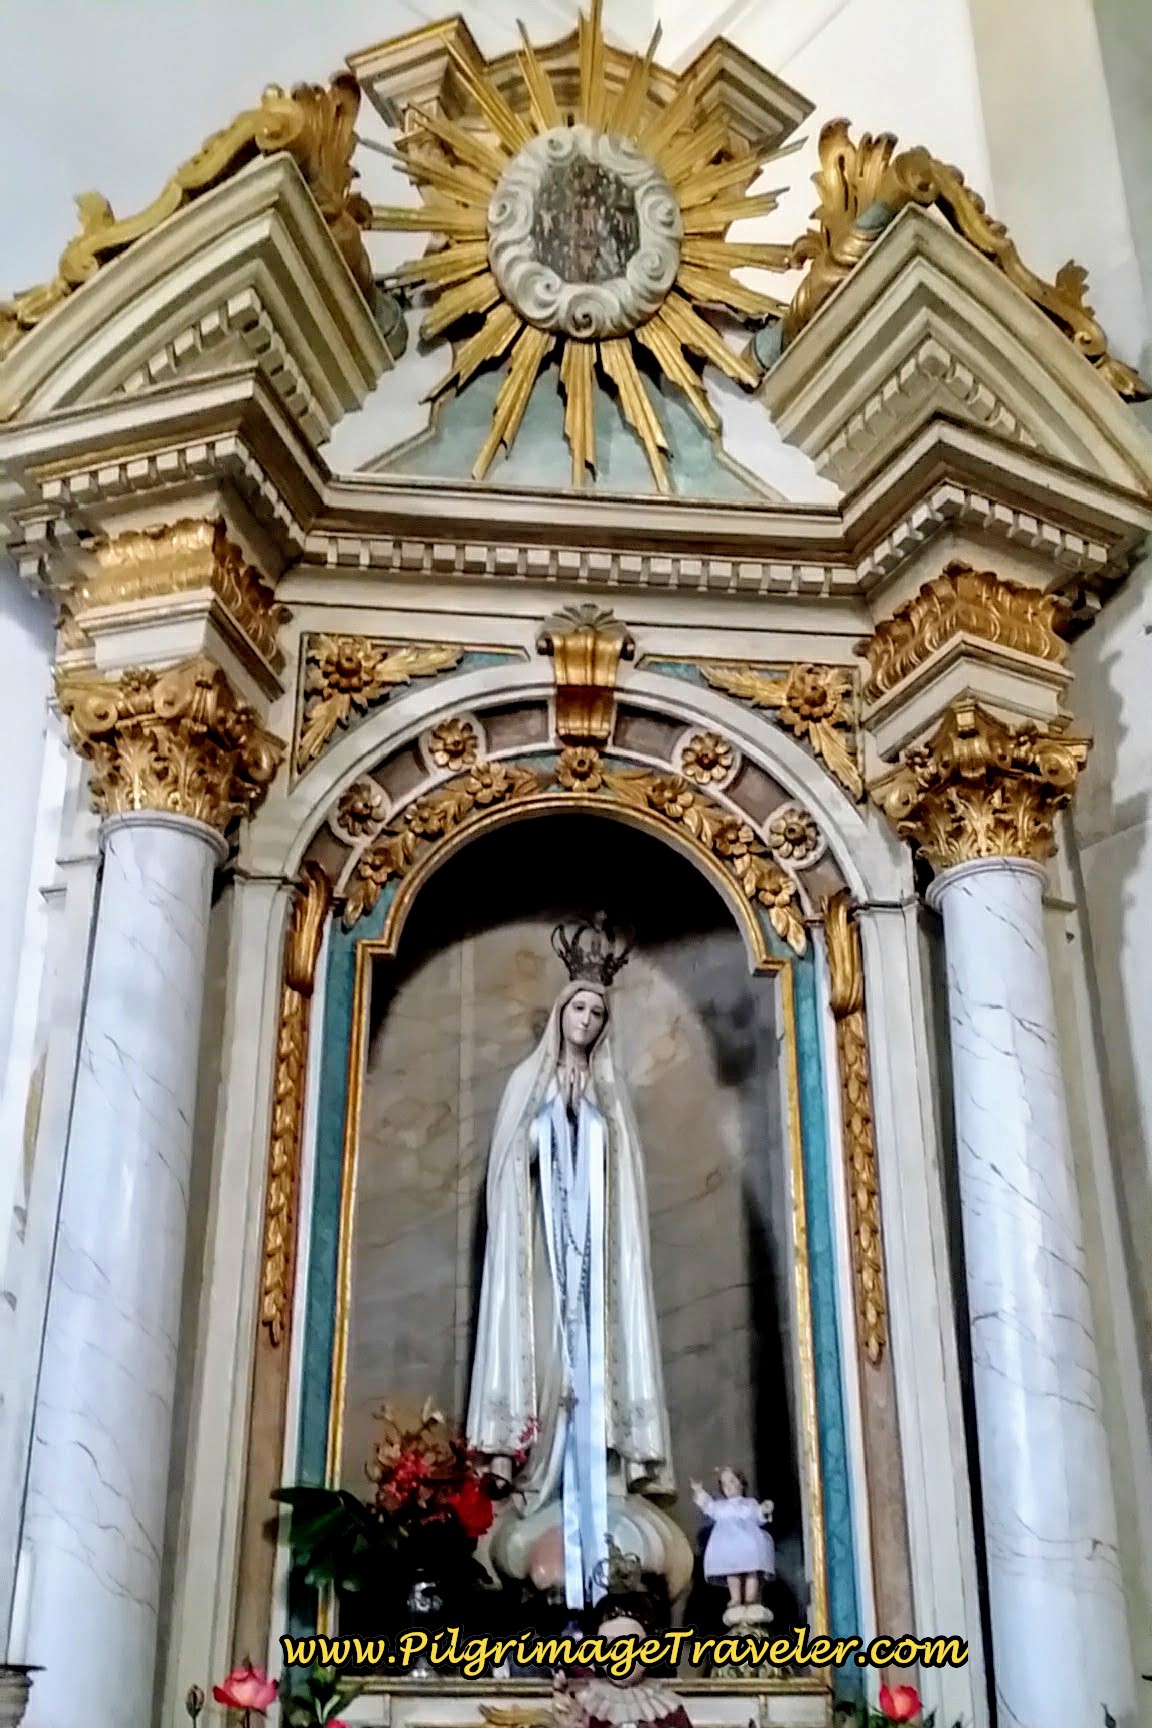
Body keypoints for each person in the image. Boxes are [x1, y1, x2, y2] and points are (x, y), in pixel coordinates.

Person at [467, 916, 689, 1609]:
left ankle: (603, 1479)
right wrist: (549, 1125)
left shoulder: (609, 1094)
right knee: (546, 1363)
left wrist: (588, 1122)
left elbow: (624, 1184)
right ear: (560, 1014)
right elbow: (509, 1171)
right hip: (541, 1257)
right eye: (580, 1010)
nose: (587, 1022)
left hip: (596, 1263)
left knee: (593, 1365)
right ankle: (536, 1475)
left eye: (598, 1014)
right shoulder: (527, 1083)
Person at [690, 1467, 774, 1625]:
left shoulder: (749, 1504)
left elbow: (758, 1515)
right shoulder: (721, 1507)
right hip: (729, 1546)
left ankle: (750, 1598)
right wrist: (699, 1491)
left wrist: (764, 1509)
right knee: (732, 1571)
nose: (728, 1486)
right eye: (724, 1484)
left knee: (751, 1571)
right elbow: (708, 1506)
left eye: (732, 1481)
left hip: (749, 1544)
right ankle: (735, 1598)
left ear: (742, 1483)